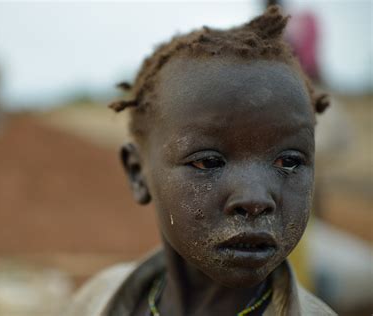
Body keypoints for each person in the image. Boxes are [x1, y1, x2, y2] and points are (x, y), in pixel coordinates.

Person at [66, 6, 335, 315]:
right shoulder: (95, 300)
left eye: (289, 161)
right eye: (207, 163)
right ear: (138, 173)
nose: (255, 200)